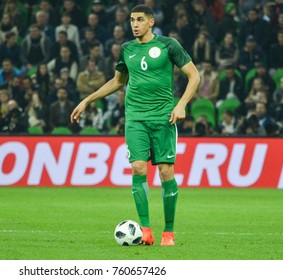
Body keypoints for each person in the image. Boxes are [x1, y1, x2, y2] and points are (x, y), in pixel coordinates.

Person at [71, 5, 200, 246]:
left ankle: (168, 233)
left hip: (163, 118)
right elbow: (118, 81)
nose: (134, 24)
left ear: (151, 22)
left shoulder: (168, 45)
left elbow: (194, 75)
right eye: (132, 20)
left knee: (165, 172)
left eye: (140, 20)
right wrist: (87, 100)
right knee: (138, 168)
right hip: (135, 118)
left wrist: (181, 104)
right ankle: (146, 230)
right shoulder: (127, 49)